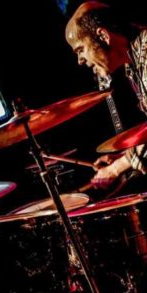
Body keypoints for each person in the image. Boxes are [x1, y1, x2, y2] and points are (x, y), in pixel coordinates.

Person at [65, 1, 146, 189]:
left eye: (80, 49)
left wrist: (117, 168)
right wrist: (123, 157)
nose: (80, 61)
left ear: (103, 35)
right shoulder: (133, 63)